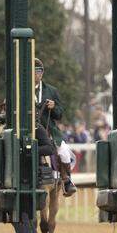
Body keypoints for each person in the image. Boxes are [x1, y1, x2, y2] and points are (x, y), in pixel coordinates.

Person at [33, 58, 75, 196]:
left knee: (63, 151)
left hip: (49, 131)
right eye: (34, 71)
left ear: (42, 73)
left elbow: (60, 114)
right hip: (29, 131)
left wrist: (54, 107)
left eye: (39, 71)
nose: (36, 74)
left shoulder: (51, 90)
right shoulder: (23, 90)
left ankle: (66, 180)